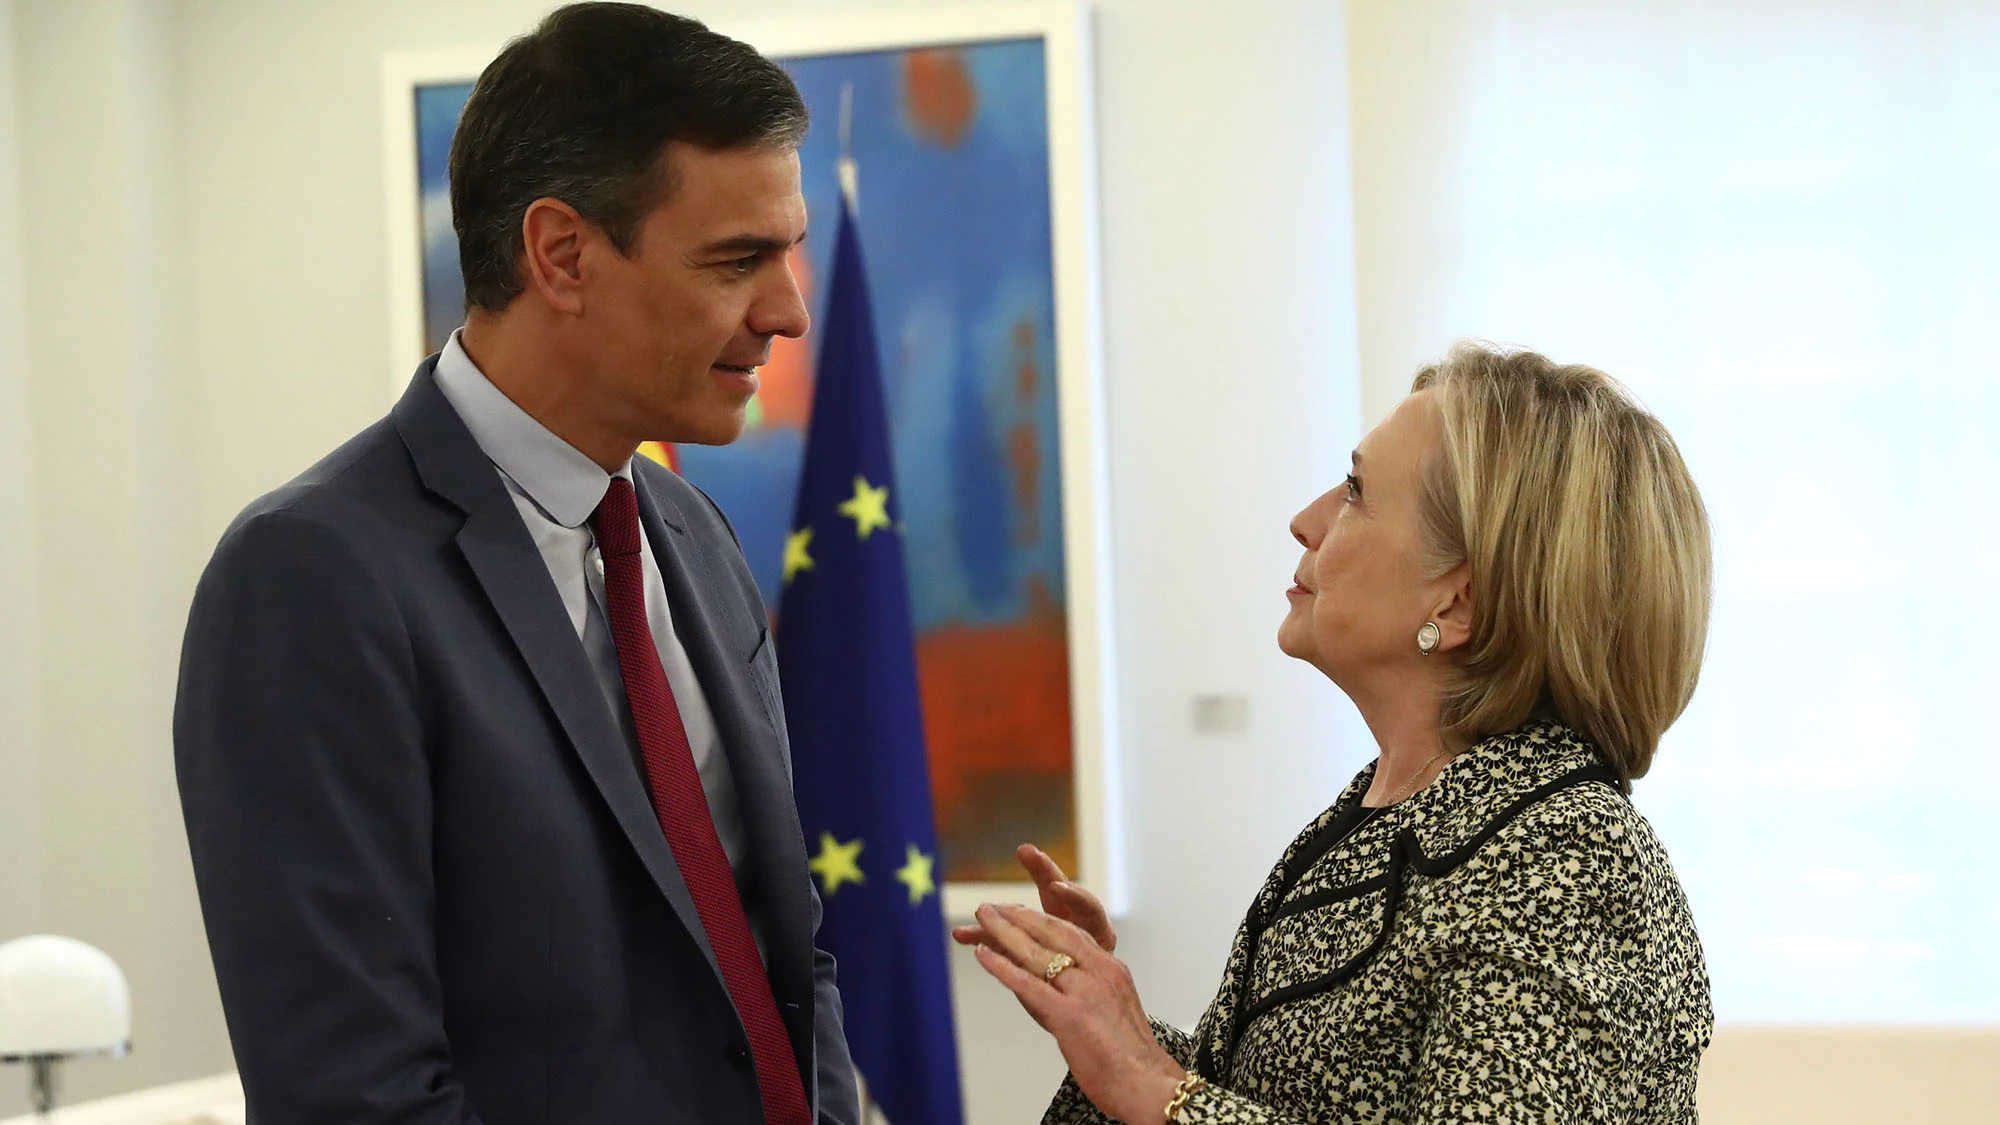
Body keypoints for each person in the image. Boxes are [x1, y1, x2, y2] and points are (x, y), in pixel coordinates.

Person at [173, 6, 859, 1123]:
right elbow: (355, 1095)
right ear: (561, 254)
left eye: (787, 254)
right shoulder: (311, 577)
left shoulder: (695, 537)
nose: (786, 311)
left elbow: (785, 960)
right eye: (738, 261)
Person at [957, 344, 1714, 1124]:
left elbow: (1185, 1102)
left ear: (1458, 605)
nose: (1306, 519)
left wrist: (1155, 1086)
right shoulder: (1383, 816)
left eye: (1356, 491)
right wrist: (1104, 1016)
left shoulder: (1573, 858)